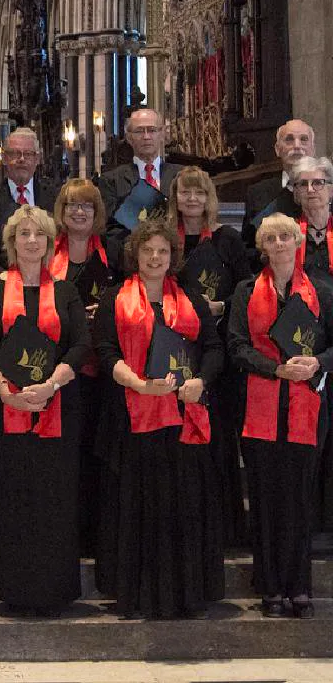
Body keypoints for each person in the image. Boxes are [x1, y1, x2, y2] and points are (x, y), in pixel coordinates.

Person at [93, 219, 224, 619]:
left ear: (173, 257)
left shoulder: (192, 299)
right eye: (148, 251)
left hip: (183, 420)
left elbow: (214, 347)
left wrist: (201, 380)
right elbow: (104, 350)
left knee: (181, 508)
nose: (155, 258)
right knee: (136, 506)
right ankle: (138, 595)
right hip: (132, 419)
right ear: (136, 254)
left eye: (163, 252)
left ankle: (183, 595)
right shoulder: (116, 298)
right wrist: (137, 383)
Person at [0, 205, 90, 615]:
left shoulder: (65, 291)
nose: (31, 241)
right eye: (23, 234)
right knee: (12, 494)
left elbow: (80, 343)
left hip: (56, 405)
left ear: (48, 242)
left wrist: (52, 382)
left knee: (53, 496)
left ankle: (52, 589)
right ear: (12, 242)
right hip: (6, 407)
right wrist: (7, 392)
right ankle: (12, 588)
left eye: (38, 234)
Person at [226, 213, 333, 618]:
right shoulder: (245, 291)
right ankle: (270, 586)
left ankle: (299, 586)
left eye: (287, 236)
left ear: (298, 240)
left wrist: (318, 362)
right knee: (267, 499)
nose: (280, 243)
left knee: (300, 499)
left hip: (307, 405)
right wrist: (276, 369)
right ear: (263, 246)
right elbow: (236, 345)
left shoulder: (322, 291)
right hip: (260, 405)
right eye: (272, 237)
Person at [168, 166, 252, 545]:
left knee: (219, 432)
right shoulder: (168, 240)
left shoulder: (227, 239)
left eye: (198, 193)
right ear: (175, 199)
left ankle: (225, 525)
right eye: (185, 193)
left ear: (209, 199)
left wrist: (221, 306)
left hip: (219, 347)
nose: (191, 200)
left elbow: (247, 288)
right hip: (178, 345)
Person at [48, 178, 118, 555]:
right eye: (73, 205)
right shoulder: (46, 252)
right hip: (58, 367)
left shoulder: (111, 252)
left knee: (95, 450)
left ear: (96, 213)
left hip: (101, 369)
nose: (79, 212)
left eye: (86, 207)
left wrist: (102, 311)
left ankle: (94, 532)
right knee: (64, 453)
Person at [96, 108, 179, 241]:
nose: (146, 137)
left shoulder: (180, 176)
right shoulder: (111, 181)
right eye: (139, 131)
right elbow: (110, 230)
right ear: (129, 138)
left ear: (162, 134)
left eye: (152, 130)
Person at [0, 128, 58, 265]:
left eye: (28, 154)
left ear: (37, 159)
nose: (21, 159)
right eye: (15, 153)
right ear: (4, 158)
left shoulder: (54, 197)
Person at [242, 119, 313, 259]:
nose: (297, 146)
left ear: (313, 148)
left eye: (304, 139)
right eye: (289, 140)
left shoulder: (328, 190)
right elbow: (248, 247)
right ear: (277, 149)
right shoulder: (257, 193)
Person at [289, 156, 333, 286]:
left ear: (330, 190)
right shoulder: (287, 234)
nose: (310, 189)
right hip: (299, 303)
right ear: (296, 193)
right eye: (303, 184)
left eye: (318, 183)